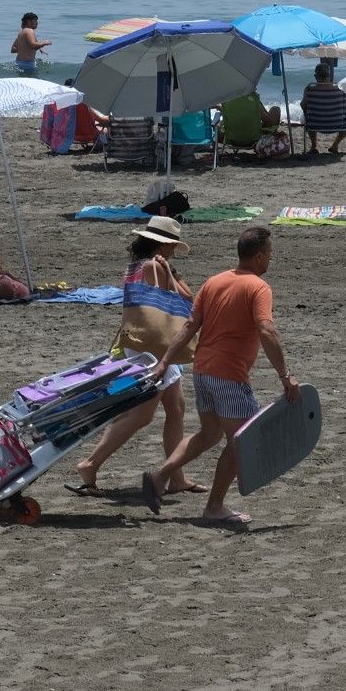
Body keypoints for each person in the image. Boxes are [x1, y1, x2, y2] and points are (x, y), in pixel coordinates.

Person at [141, 227, 298, 530]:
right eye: (270, 254)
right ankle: (214, 507)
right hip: (228, 375)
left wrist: (164, 362)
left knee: (209, 434)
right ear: (260, 255)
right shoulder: (258, 287)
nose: (270, 259)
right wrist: (285, 375)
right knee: (243, 441)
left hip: (203, 371)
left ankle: (160, 476)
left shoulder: (214, 282)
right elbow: (266, 330)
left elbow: (189, 327)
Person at [71, 218, 204, 497]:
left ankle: (176, 476)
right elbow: (189, 298)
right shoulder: (156, 266)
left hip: (144, 342)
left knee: (176, 408)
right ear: (163, 244)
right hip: (155, 348)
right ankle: (90, 464)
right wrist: (172, 272)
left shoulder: (136, 265)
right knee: (141, 415)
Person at [299, 63, 346, 155]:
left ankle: (314, 146)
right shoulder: (340, 89)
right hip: (337, 124)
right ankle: (335, 145)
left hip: (314, 124)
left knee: (307, 115)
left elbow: (303, 106)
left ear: (315, 76)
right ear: (330, 75)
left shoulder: (309, 89)